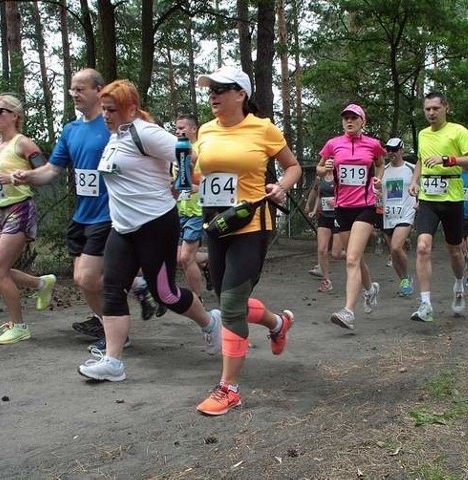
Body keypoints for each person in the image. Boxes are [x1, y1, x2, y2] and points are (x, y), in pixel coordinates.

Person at [76, 80, 222, 381]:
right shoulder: (116, 135)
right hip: (122, 227)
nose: (106, 115)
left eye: (112, 110)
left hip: (156, 223)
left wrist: (179, 184)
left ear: (131, 108)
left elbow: (188, 154)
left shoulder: (146, 132)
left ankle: (210, 324)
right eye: (104, 109)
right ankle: (113, 361)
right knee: (112, 288)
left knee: (165, 293)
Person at [14, 69, 160, 348]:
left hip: (109, 213)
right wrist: (29, 176)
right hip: (82, 214)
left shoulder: (113, 127)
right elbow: (52, 170)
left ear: (98, 91)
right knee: (87, 282)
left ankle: (117, 334)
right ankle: (131, 299)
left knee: (86, 277)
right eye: (72, 90)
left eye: (81, 89)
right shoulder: (71, 130)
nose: (75, 95)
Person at [194, 66, 302, 415]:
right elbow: (199, 174)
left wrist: (281, 186)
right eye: (210, 89)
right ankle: (278, 323)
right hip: (216, 225)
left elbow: (293, 166)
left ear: (240, 94)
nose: (213, 95)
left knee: (230, 303)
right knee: (229, 301)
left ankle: (229, 388)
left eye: (221, 89)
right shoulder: (205, 131)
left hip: (252, 224)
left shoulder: (263, 128)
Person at [0, 94, 56, 344]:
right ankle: (41, 283)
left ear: (15, 116)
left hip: (20, 209)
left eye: (1, 111)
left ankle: (20, 326)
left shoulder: (23, 144)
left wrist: (17, 178)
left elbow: (45, 172)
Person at [407, 92, 468, 322]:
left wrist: (448, 159)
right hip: (429, 199)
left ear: (445, 108)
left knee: (455, 251)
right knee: (422, 247)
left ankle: (459, 285)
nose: (431, 113)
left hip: (452, 199)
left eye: (435, 108)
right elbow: (420, 159)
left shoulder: (458, 131)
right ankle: (425, 304)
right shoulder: (422, 134)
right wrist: (414, 180)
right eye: (427, 109)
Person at [316, 103, 386, 330]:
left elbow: (380, 163)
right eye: (346, 117)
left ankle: (348, 311)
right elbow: (319, 168)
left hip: (365, 206)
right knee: (356, 259)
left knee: (352, 258)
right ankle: (370, 289)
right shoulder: (333, 144)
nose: (349, 121)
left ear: (362, 121)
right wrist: (325, 166)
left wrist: (378, 178)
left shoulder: (373, 144)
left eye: (354, 118)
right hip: (342, 207)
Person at [174, 114, 212, 297]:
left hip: (198, 210)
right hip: (181, 208)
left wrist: (198, 187)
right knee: (178, 257)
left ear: (193, 129)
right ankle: (209, 262)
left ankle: (197, 299)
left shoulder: (202, 151)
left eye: (182, 128)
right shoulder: (176, 152)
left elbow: (212, 181)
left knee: (186, 257)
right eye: (176, 128)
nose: (178, 131)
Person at [381, 137, 416, 296]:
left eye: (394, 149)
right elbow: (379, 192)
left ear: (402, 150)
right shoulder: (384, 170)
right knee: (393, 252)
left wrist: (420, 202)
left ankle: (407, 277)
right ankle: (404, 279)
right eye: (388, 150)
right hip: (388, 215)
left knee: (396, 247)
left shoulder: (412, 168)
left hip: (406, 213)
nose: (391, 153)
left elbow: (422, 188)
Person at [304, 171, 345, 293]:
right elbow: (317, 194)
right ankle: (326, 280)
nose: (330, 162)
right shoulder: (320, 178)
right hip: (324, 216)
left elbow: (348, 194)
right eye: (327, 159)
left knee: (336, 254)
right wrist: (310, 206)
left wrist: (337, 202)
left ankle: (354, 256)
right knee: (322, 249)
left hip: (338, 216)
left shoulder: (340, 176)